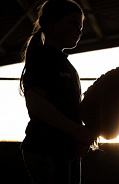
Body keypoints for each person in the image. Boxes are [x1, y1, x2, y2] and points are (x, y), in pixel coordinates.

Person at [19, 0, 95, 183]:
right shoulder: (42, 59)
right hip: (47, 148)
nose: (79, 30)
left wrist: (80, 137)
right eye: (73, 24)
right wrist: (77, 131)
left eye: (81, 26)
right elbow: (36, 103)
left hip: (66, 150)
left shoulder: (67, 65)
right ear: (52, 23)